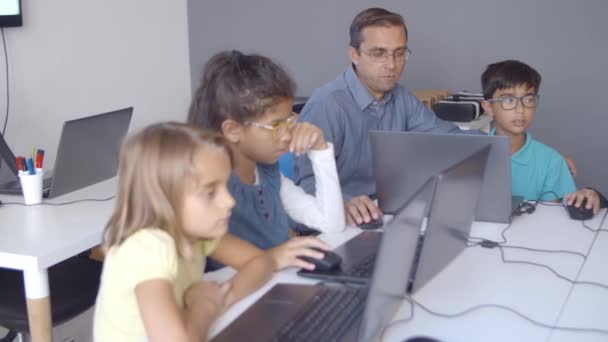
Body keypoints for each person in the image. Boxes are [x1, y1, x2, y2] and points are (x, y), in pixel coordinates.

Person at [93, 123, 329, 342]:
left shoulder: (197, 235)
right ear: (165, 198)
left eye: (224, 187)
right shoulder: (148, 246)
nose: (229, 201)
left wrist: (222, 300)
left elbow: (259, 261)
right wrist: (204, 308)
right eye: (209, 193)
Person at [293, 7, 474, 226]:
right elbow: (306, 184)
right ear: (354, 55)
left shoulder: (402, 97)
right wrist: (343, 203)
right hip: (338, 225)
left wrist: (498, 139)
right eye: (379, 53)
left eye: (399, 53)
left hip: (386, 216)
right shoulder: (327, 105)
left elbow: (449, 138)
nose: (391, 64)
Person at [187, 50, 344, 253]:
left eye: (290, 120)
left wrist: (320, 151)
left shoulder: (267, 173)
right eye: (276, 125)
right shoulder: (208, 188)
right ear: (233, 130)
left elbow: (331, 224)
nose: (287, 135)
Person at [480, 60, 576, 201]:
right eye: (508, 100)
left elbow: (554, 217)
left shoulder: (552, 161)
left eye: (529, 99)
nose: (520, 109)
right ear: (488, 107)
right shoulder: (471, 158)